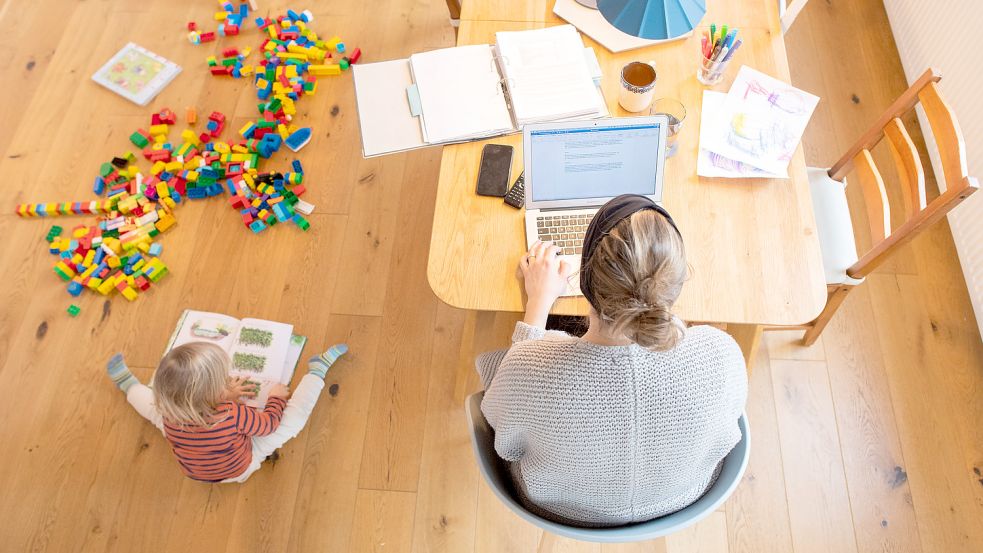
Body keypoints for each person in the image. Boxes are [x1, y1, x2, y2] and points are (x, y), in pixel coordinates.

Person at [476, 194, 748, 527]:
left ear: (585, 283)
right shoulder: (720, 354)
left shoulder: (531, 369)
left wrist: (538, 306)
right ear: (675, 286)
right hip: (680, 499)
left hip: (559, 509)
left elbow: (505, 440)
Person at [106, 341, 348, 483]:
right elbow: (269, 425)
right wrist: (274, 398)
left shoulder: (169, 410)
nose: (228, 379)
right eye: (223, 381)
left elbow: (201, 407)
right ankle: (318, 370)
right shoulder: (230, 414)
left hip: (194, 471)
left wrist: (223, 394)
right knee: (292, 421)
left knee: (152, 409)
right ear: (213, 396)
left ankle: (128, 385)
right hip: (239, 469)